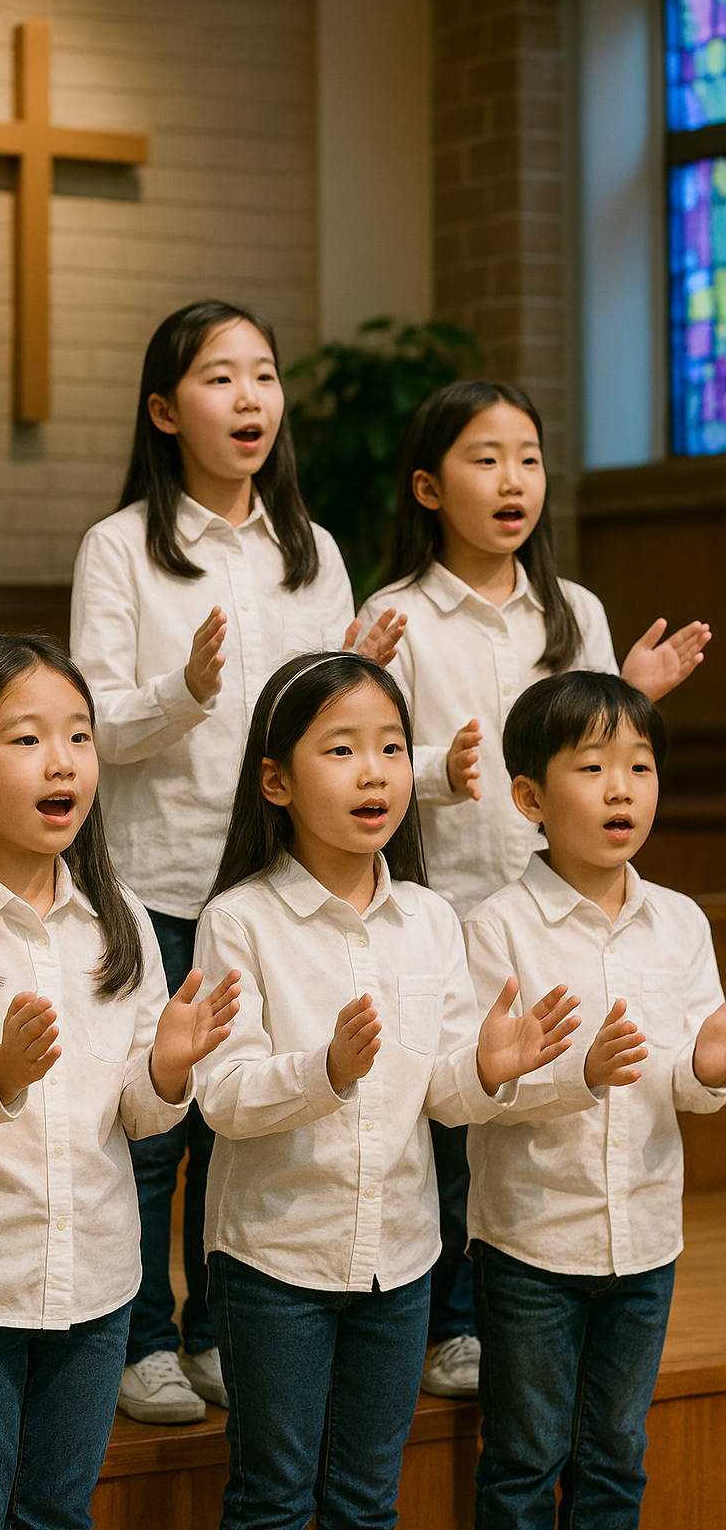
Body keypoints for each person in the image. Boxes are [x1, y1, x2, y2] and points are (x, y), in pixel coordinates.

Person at [70, 299, 404, 1422]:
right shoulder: (121, 547)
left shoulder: (314, 553)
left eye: (263, 374)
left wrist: (352, 669)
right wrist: (186, 693)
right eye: (220, 377)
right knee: (154, 1127)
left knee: (247, 1120)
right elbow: (94, 725)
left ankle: (216, 1330)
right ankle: (142, 1342)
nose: (250, 397)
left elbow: (335, 716)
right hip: (161, 881)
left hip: (278, 889)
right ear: (166, 411)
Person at [357, 379, 711, 1398]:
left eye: (528, 458)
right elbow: (367, 756)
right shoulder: (396, 614)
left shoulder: (574, 611)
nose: (513, 479)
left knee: (541, 1098)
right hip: (444, 903)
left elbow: (592, 739)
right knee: (450, 1112)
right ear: (428, 487)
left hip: (551, 900)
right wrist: (433, 761)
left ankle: (499, 1310)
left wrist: (630, 693)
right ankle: (448, 1321)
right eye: (485, 459)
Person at [0, 634, 239, 1529]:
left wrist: (168, 1070)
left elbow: (139, 1116)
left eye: (78, 736)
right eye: (26, 739)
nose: (61, 761)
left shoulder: (120, 919)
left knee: (59, 1513)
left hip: (98, 1280)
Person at [192, 650, 583, 1530]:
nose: (374, 772)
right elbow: (223, 1096)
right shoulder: (240, 919)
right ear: (275, 781)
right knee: (271, 1501)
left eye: (393, 748)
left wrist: (489, 1069)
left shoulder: (432, 920)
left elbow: (442, 1093)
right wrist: (325, 1071)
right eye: (341, 750)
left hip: (401, 1262)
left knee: (368, 1503)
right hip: (275, 1262)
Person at [464, 670, 726, 1529]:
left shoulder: (680, 922)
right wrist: (579, 1072)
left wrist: (709, 1068)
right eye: (592, 767)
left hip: (646, 1241)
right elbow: (480, 1092)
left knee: (616, 1459)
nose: (622, 789)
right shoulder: (497, 927)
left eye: (640, 766)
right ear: (530, 797)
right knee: (524, 1460)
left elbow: (688, 1085)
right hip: (533, 1244)